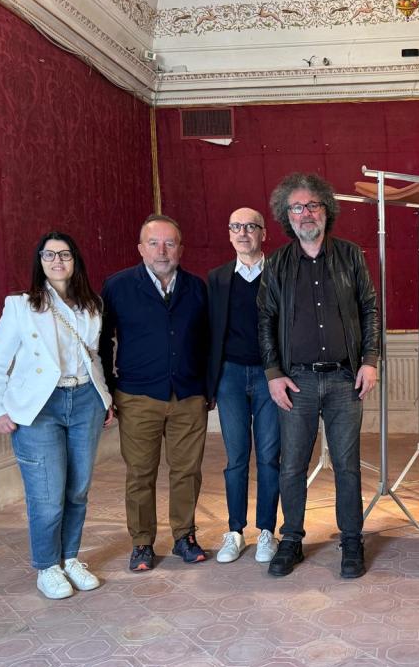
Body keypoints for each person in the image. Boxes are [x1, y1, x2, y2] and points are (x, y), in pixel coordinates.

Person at [257, 173, 379, 579]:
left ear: (327, 210)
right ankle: (291, 539)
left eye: (313, 205)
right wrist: (273, 372)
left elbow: (369, 308)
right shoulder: (276, 263)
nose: (306, 213)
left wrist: (370, 359)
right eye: (297, 207)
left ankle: (351, 540)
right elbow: (266, 319)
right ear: (286, 215)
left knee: (347, 465)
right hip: (297, 382)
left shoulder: (350, 255)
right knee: (292, 465)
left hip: (345, 379)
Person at [0, 232, 112, 599]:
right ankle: (47, 566)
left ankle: (69, 558)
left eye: (65, 254)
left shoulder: (91, 305)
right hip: (40, 407)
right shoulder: (21, 306)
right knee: (47, 495)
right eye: (49, 255)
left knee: (78, 490)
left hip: (85, 399)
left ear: (75, 261)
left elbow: (93, 356)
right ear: (39, 261)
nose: (57, 261)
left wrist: (104, 398)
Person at [99, 214, 211, 573]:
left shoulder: (197, 288)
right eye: (154, 243)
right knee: (140, 473)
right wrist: (107, 391)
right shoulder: (117, 287)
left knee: (187, 471)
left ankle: (184, 536)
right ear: (141, 248)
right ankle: (142, 542)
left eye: (169, 243)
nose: (162, 251)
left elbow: (209, 342)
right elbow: (101, 342)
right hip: (137, 397)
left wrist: (208, 388)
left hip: (188, 396)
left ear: (180, 248)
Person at [207, 207, 280, 564]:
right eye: (236, 226)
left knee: (269, 457)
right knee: (236, 458)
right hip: (231, 377)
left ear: (264, 233)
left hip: (270, 376)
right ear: (229, 233)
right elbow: (209, 331)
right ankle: (235, 531)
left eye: (251, 226)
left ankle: (267, 531)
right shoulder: (217, 278)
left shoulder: (279, 273)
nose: (243, 232)